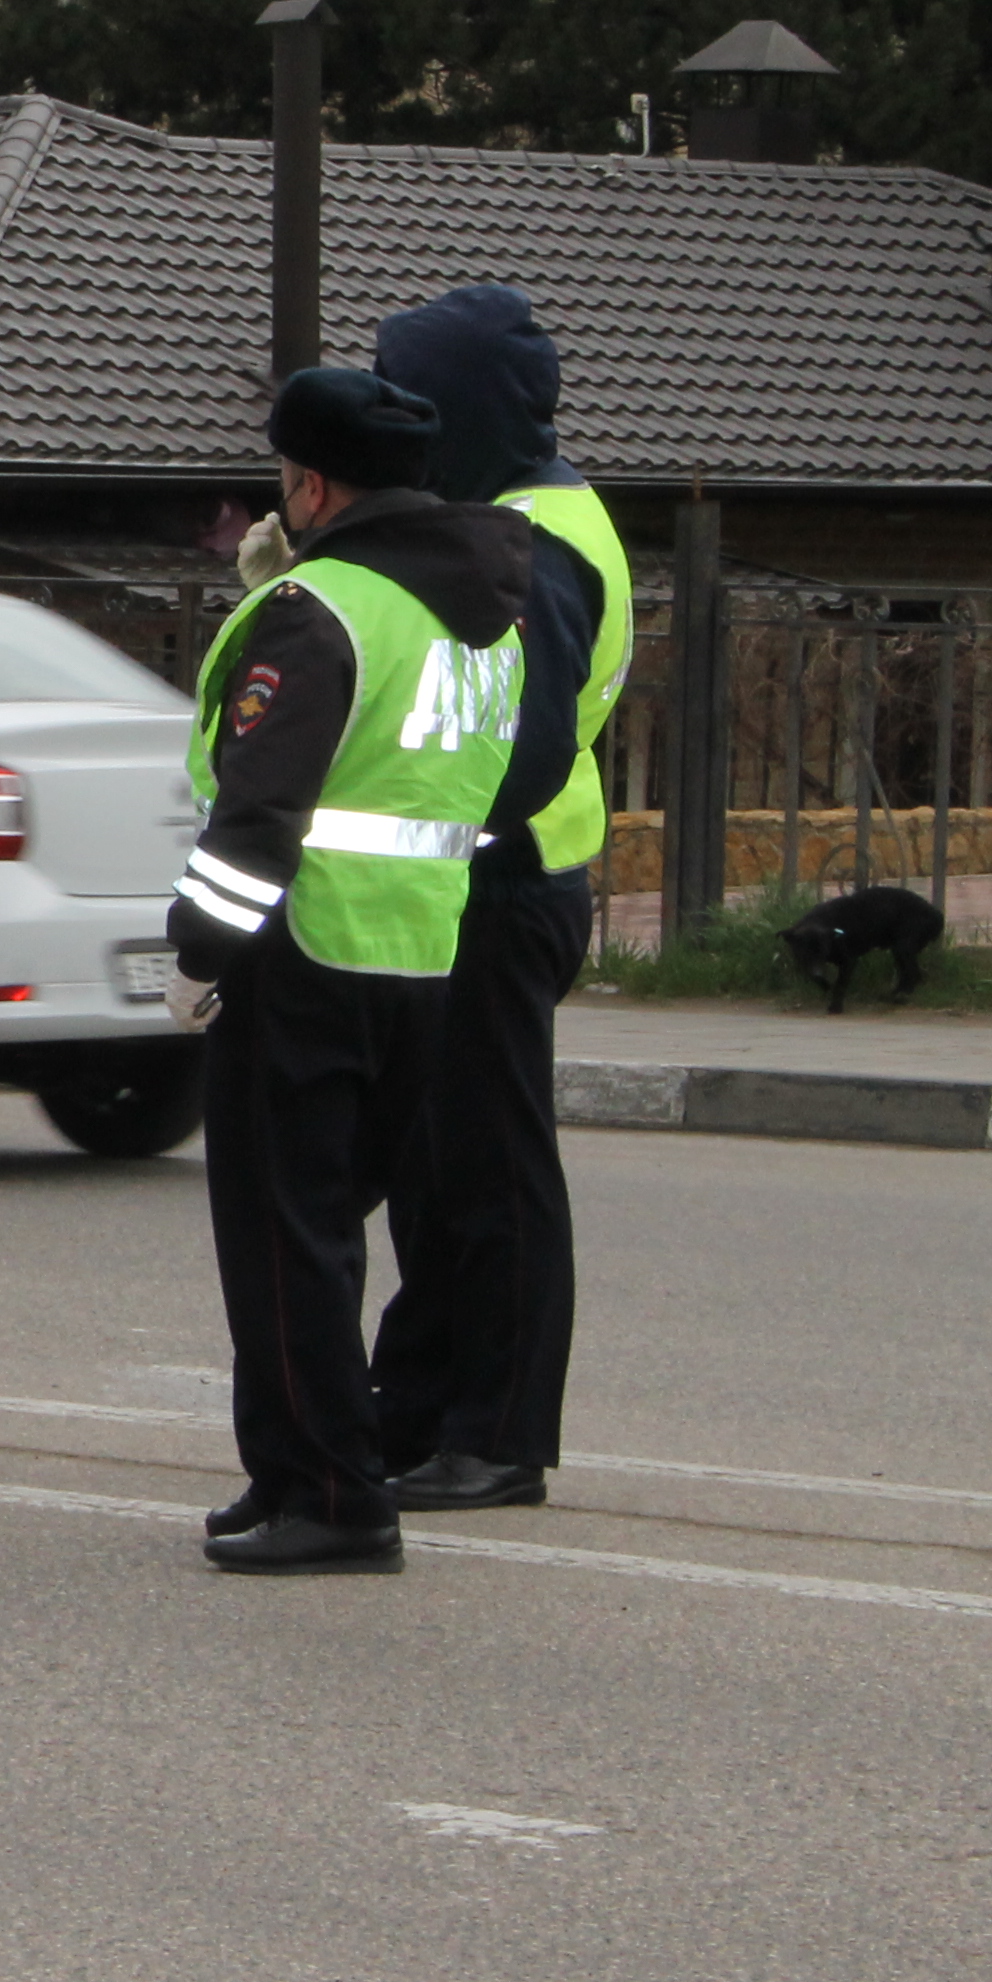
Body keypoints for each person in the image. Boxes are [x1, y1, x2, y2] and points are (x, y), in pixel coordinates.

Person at [163, 367, 529, 1577]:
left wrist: (200, 955)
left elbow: (262, 811)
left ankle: (331, 1491)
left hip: (302, 954)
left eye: (284, 478)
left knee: (284, 1235)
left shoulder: (317, 609)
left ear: (312, 483)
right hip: (420, 953)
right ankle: (290, 1467)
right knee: (320, 1231)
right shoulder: (487, 615)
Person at [364, 286, 625, 1512]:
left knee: (493, 1169)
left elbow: (523, 738)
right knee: (430, 1164)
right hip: (459, 890)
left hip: (505, 888)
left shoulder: (541, 535)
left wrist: (435, 825)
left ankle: (502, 1434)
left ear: (460, 407)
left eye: (412, 397)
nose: (397, 420)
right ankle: (414, 1410)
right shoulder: (493, 509)